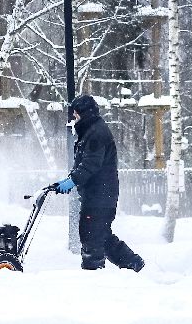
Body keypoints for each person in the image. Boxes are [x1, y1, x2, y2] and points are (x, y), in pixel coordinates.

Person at [54, 94, 144, 272]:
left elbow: (91, 164)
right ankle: (133, 264)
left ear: (85, 113)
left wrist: (72, 181)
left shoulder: (96, 133)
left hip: (100, 196)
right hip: (99, 195)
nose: (74, 118)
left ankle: (94, 275)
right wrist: (69, 179)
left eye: (76, 114)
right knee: (101, 236)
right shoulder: (91, 131)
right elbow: (84, 163)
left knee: (91, 237)